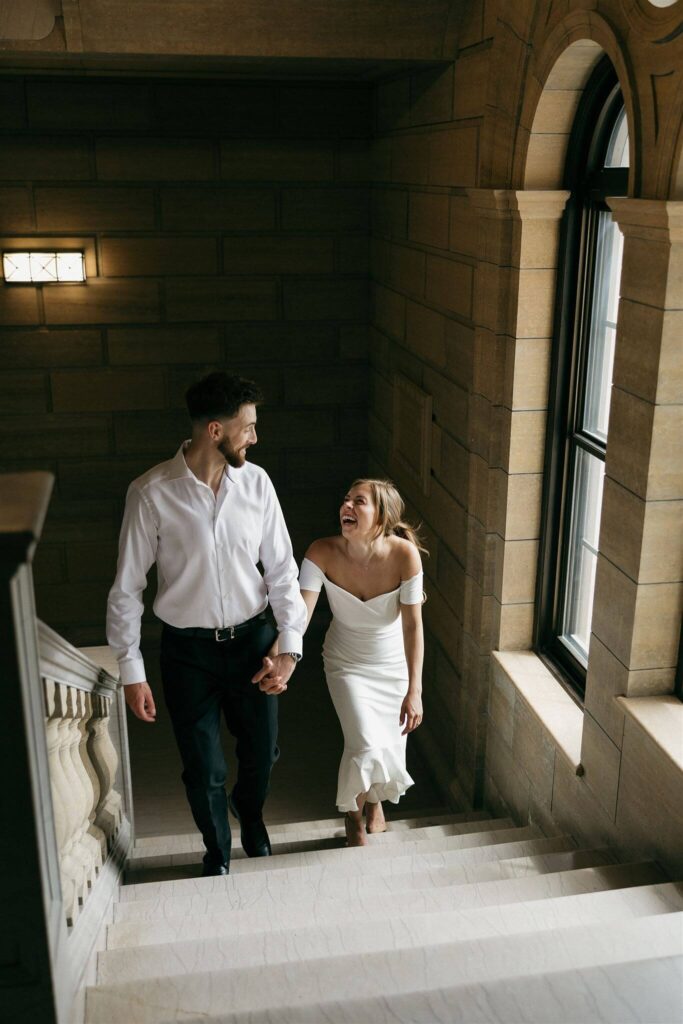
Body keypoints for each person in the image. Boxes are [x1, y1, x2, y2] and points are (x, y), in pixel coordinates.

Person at [106, 372, 307, 875]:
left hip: (254, 642)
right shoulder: (150, 493)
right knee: (204, 767)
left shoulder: (257, 484)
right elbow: (127, 588)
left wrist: (289, 646)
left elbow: (282, 571)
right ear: (215, 430)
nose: (255, 438)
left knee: (262, 752)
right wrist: (131, 670)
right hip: (187, 653)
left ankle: (251, 812)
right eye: (248, 427)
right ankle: (217, 852)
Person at [298, 478, 425, 846]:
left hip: (392, 666)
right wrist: (284, 653)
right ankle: (353, 818)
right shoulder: (321, 551)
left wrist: (414, 690)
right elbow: (300, 615)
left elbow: (413, 625)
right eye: (345, 500)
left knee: (385, 744)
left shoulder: (404, 555)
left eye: (359, 502)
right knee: (365, 743)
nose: (347, 507)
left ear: (382, 515)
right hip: (345, 663)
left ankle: (373, 803)